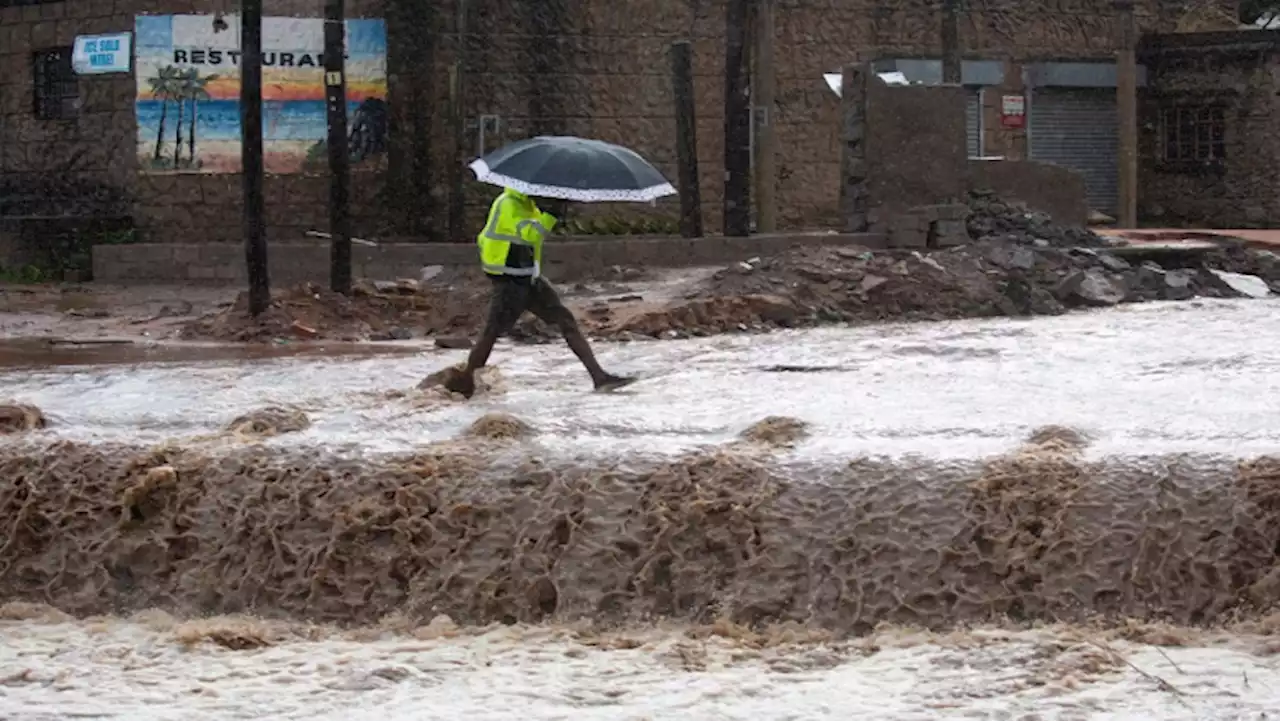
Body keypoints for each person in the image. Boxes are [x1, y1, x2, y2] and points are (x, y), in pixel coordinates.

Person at [444, 187, 635, 398]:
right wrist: (550, 215)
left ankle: (599, 377)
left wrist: (551, 212)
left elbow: (536, 235)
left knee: (566, 321)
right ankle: (466, 383)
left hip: (528, 276)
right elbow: (530, 235)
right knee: (491, 332)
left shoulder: (528, 203)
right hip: (509, 278)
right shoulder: (508, 204)